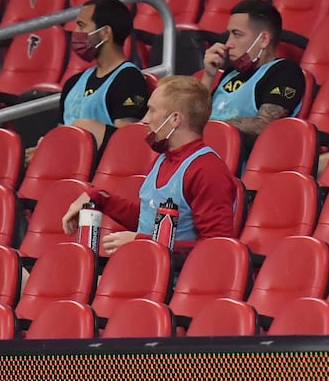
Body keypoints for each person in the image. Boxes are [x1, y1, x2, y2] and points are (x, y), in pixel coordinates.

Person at [62, 76, 243, 255]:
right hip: (147, 270)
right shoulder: (163, 159)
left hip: (176, 281)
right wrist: (97, 197)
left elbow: (216, 249)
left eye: (151, 110)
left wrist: (140, 242)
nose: (145, 120)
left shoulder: (208, 169)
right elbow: (148, 221)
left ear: (175, 119)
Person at [28, 0, 150, 162]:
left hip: (99, 170)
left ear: (105, 33)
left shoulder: (129, 79)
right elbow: (61, 132)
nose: (76, 33)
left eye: (82, 26)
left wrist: (56, 149)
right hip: (65, 167)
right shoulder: (73, 83)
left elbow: (126, 143)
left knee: (84, 125)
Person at [199, 0, 306, 138]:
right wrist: (208, 75)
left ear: (263, 40)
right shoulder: (231, 73)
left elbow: (265, 125)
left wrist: (210, 127)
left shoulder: (285, 72)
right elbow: (193, 118)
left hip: (239, 154)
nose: (228, 43)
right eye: (229, 34)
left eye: (237, 34)